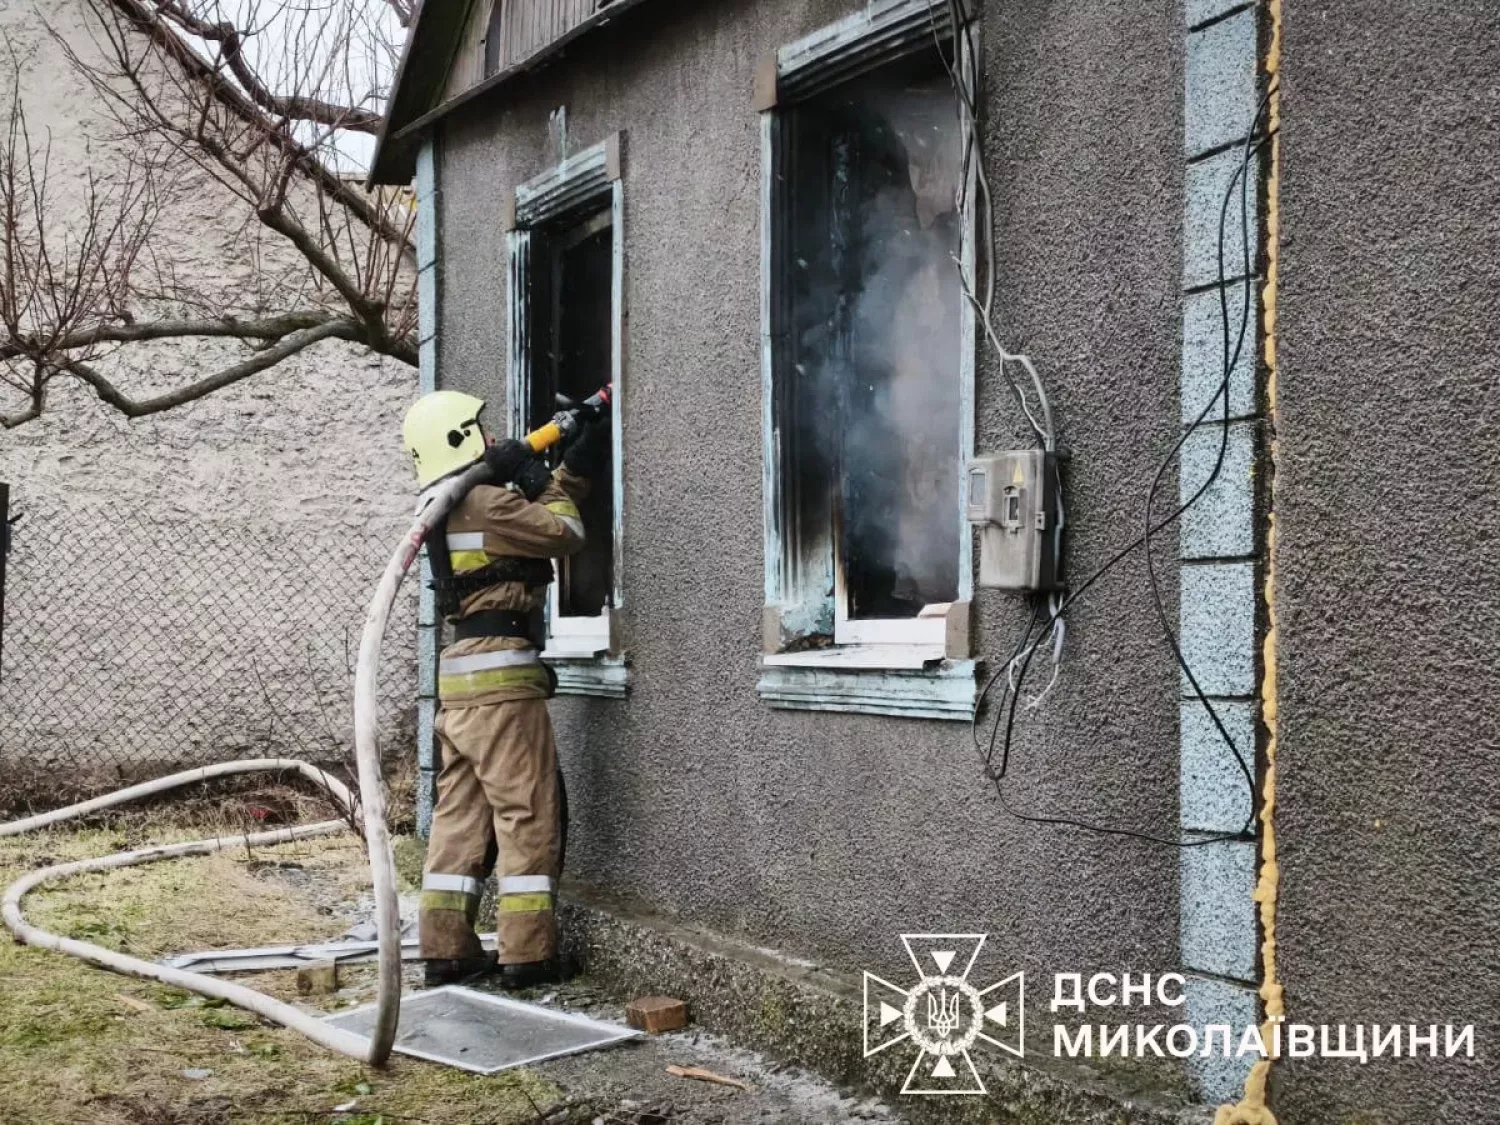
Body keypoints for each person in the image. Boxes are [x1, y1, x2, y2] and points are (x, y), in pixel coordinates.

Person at [401, 389, 610, 988]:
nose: (489, 435)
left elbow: (534, 518)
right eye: (478, 428)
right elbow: (563, 531)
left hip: (460, 688)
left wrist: (569, 464)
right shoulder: (488, 504)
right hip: (502, 686)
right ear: (459, 438)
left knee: (459, 818)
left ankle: (444, 948)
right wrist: (533, 473)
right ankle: (528, 954)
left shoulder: (447, 507)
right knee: (526, 812)